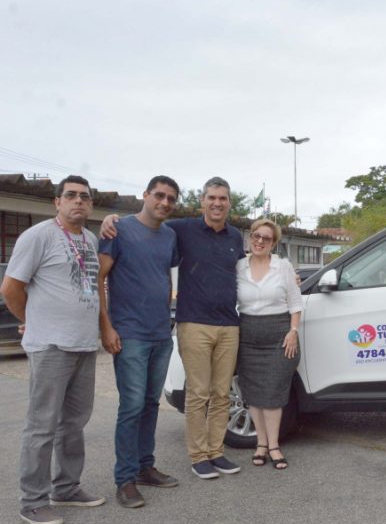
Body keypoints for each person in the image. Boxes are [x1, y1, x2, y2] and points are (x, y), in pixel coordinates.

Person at [102, 176, 245, 479]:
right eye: (211, 198)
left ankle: (216, 452)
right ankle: (198, 456)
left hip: (227, 325)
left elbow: (249, 271)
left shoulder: (235, 237)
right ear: (202, 202)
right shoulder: (181, 230)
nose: (217, 203)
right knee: (198, 393)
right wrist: (110, 217)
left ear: (229, 203)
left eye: (223, 198)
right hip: (192, 322)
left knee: (222, 394)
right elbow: (143, 224)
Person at [1, 175, 106, 524]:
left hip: (83, 344)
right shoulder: (38, 236)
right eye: (71, 195)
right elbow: (11, 288)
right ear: (56, 202)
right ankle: (32, 501)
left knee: (74, 423)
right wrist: (32, 319)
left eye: (85, 197)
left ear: (90, 205)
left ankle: (66, 487)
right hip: (50, 345)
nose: (79, 201)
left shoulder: (89, 240)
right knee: (41, 426)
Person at [98, 176, 181, 508]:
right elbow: (99, 278)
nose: (163, 202)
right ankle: (125, 479)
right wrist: (106, 327)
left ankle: (146, 467)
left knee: (150, 405)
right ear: (145, 195)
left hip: (161, 333)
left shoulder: (171, 236)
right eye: (158, 195)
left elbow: (165, 273)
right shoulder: (119, 229)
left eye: (170, 198)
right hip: (130, 334)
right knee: (131, 407)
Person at [236, 219, 303, 469]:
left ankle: (274, 445)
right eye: (256, 236)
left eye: (266, 238)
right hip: (248, 334)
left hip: (279, 334)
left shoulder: (283, 267)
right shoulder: (239, 267)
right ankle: (260, 444)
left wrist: (293, 331)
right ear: (250, 238)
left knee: (274, 392)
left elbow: (295, 303)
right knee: (253, 392)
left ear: (273, 243)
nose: (260, 241)